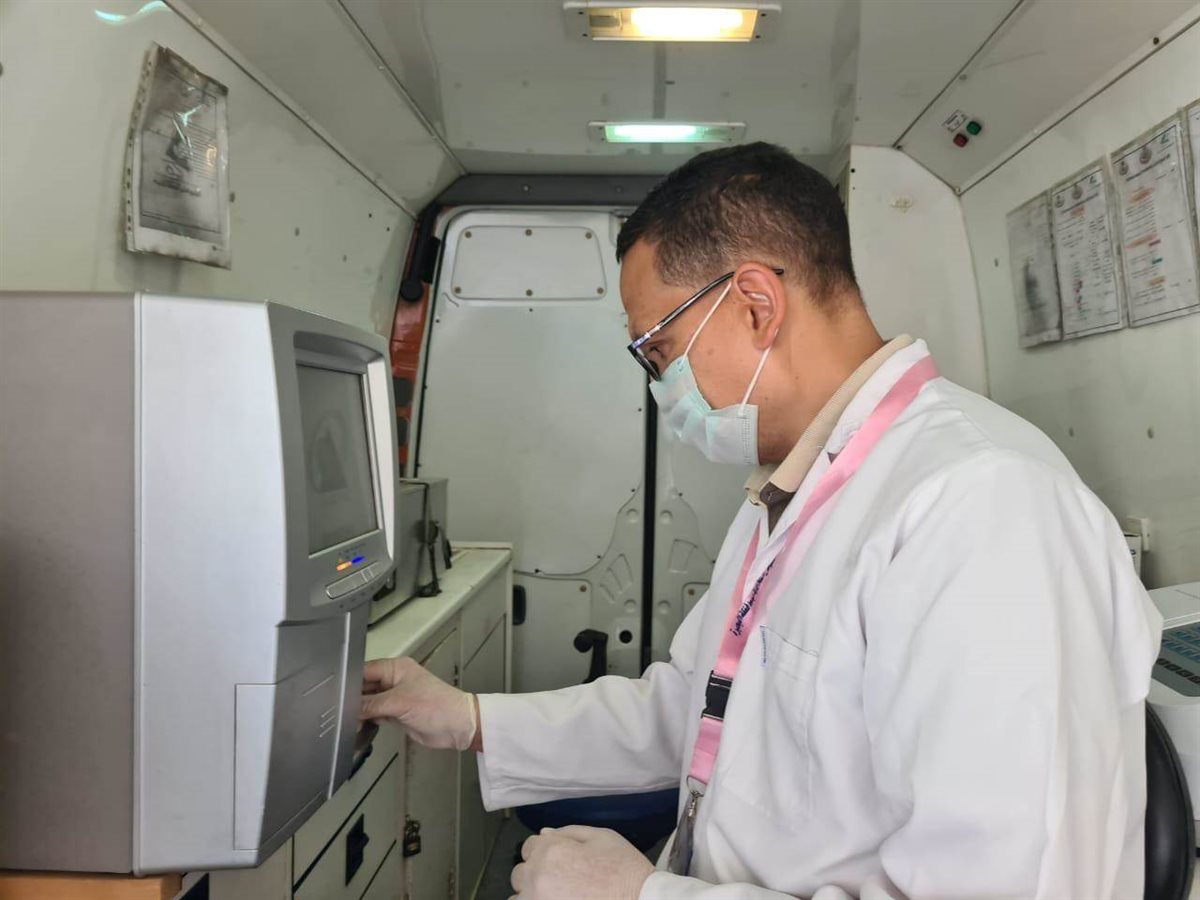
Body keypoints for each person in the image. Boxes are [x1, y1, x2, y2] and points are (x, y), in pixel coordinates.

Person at [360, 143, 1162, 899]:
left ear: (755, 304)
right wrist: (465, 718)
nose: (660, 386)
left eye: (658, 351)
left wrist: (644, 895)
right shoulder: (796, 486)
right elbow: (695, 707)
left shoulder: (981, 505)